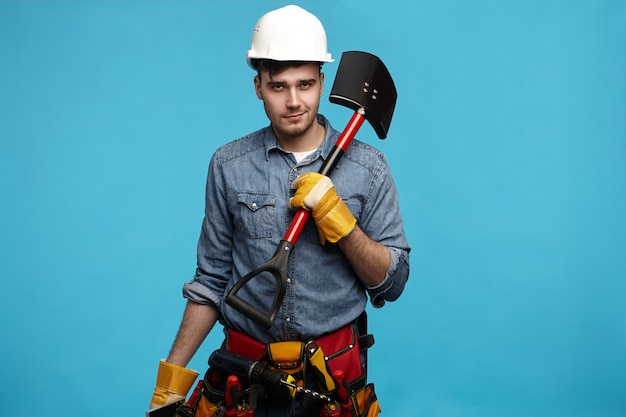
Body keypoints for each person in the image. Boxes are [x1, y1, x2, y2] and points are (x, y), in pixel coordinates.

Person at [149, 5, 410, 417]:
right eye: (278, 86)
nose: (293, 101)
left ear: (323, 82)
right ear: (258, 86)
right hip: (244, 379)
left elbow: (391, 284)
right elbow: (212, 282)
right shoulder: (228, 164)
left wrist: (342, 224)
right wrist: (171, 380)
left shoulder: (368, 168)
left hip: (333, 381)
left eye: (305, 84)